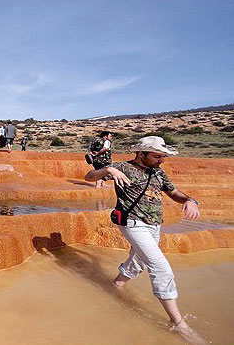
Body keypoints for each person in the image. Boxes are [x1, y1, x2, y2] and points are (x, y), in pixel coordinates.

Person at [85, 136, 202, 341]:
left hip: (154, 224)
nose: (161, 160)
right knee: (160, 266)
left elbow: (173, 193)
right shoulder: (122, 167)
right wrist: (108, 170)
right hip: (132, 222)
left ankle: (117, 285)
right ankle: (177, 323)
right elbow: (89, 176)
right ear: (141, 153)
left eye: (163, 156)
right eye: (157, 156)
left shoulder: (158, 172)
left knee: (138, 261)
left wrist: (191, 200)